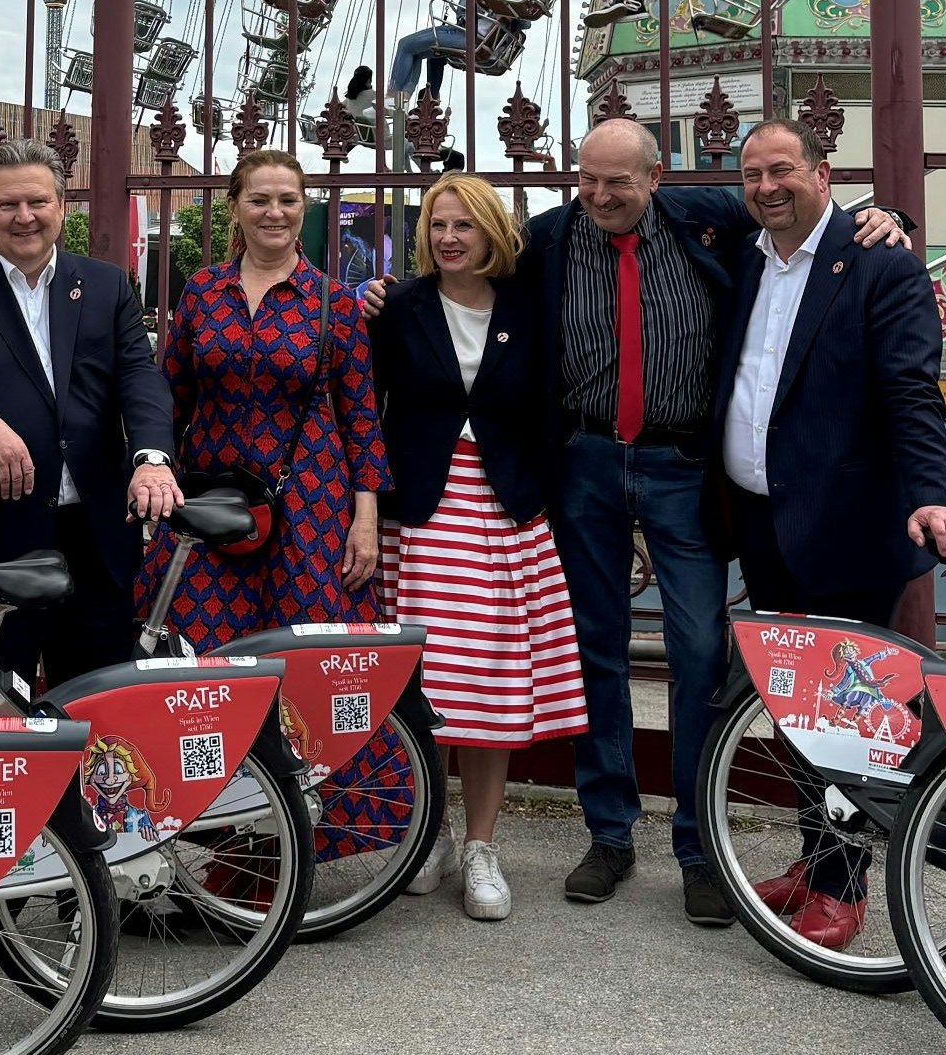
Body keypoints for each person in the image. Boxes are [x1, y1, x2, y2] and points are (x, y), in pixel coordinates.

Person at [360, 118, 907, 926]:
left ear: (657, 177)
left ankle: (696, 846)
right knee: (595, 647)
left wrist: (887, 215)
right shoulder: (548, 239)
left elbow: (795, 207)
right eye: (589, 179)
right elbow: (460, 272)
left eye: (620, 181)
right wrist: (374, 291)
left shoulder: (708, 217)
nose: (603, 195)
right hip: (581, 461)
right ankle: (609, 833)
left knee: (696, 650)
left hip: (680, 463)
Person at [713, 119, 946, 948]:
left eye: (783, 170)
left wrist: (940, 495)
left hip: (847, 523)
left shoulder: (879, 260)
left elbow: (912, 393)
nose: (767, 186)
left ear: (823, 173)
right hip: (761, 520)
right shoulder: (742, 255)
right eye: (754, 173)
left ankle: (844, 881)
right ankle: (816, 853)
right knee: (794, 706)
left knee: (851, 710)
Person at [368, 172, 587, 920]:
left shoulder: (529, 308)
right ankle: (428, 830)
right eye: (438, 225)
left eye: (464, 224)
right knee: (423, 682)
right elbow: (364, 409)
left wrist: (552, 510)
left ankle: (481, 843)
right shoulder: (397, 307)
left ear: (492, 231)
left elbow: (548, 413)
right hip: (422, 515)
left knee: (490, 683)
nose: (450, 238)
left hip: (502, 510)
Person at [0, 138, 181, 687]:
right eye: (7, 205)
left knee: (99, 711)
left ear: (61, 205)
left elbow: (140, 378)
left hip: (93, 539)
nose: (24, 217)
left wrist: (151, 456)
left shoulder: (105, 284)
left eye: (37, 202)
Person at [138, 147, 389, 647]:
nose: (274, 212)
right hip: (211, 496)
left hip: (309, 504)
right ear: (235, 207)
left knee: (307, 654)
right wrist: (151, 471)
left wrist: (365, 520)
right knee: (196, 653)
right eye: (259, 200)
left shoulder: (334, 303)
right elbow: (168, 396)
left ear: (304, 208)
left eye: (287, 200)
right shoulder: (202, 292)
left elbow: (360, 418)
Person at [386, 7, 529, 105]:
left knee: (405, 45)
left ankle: (392, 96)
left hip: (467, 35)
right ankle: (403, 98)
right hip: (472, 34)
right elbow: (525, 21)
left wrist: (504, 13)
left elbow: (524, 21)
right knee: (417, 52)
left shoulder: (503, 7)